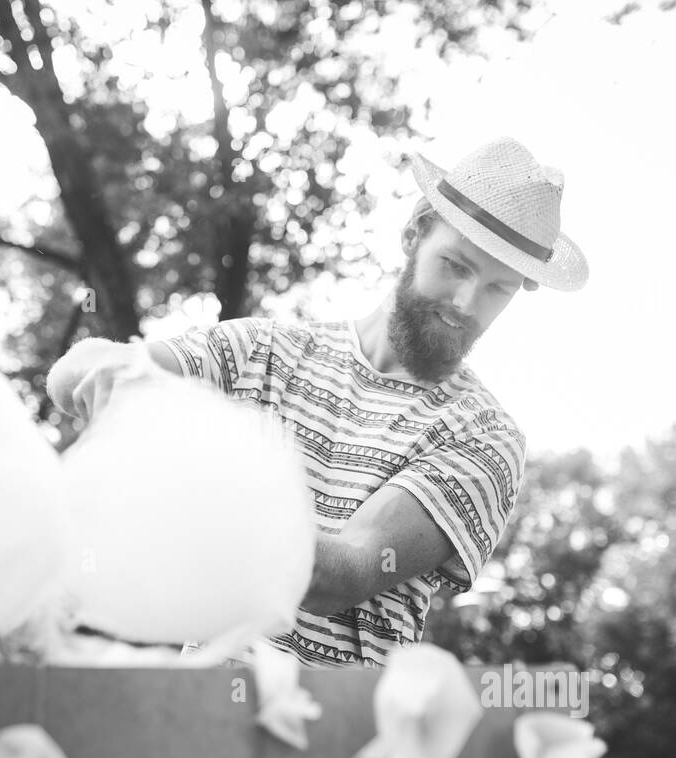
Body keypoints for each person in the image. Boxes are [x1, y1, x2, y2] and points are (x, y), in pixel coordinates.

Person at [46, 137, 588, 667]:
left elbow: (345, 575)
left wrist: (196, 498)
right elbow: (82, 370)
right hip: (197, 705)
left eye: (499, 289)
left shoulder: (483, 434)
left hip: (339, 732)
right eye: (456, 265)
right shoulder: (266, 350)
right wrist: (107, 374)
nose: (467, 303)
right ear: (415, 233)